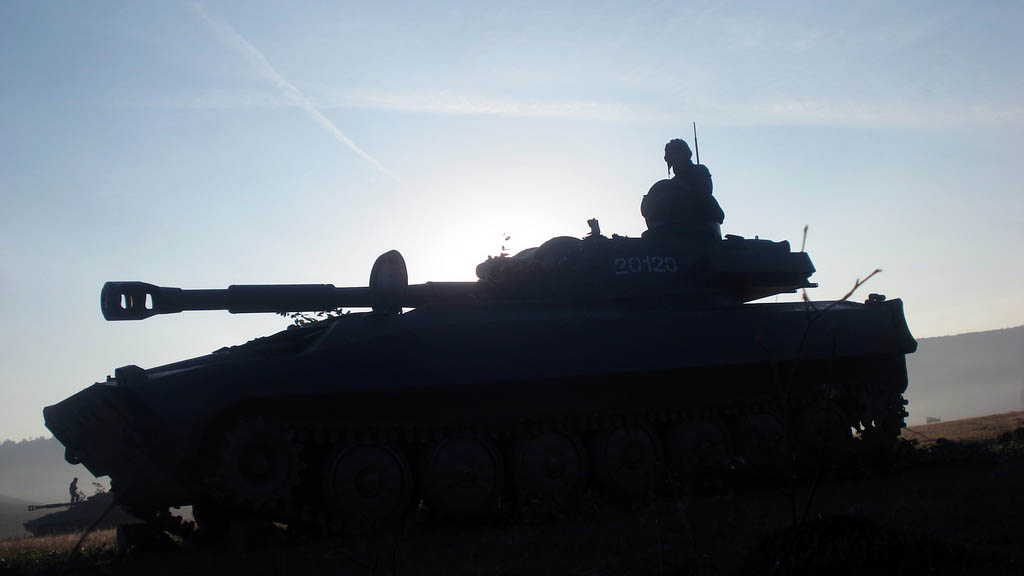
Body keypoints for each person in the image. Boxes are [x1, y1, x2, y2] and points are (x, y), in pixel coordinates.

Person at [641, 138, 724, 237]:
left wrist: (680, 189)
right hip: (674, 225)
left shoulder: (700, 170)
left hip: (702, 221)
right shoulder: (666, 186)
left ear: (684, 154)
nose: (671, 160)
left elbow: (704, 193)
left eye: (675, 154)